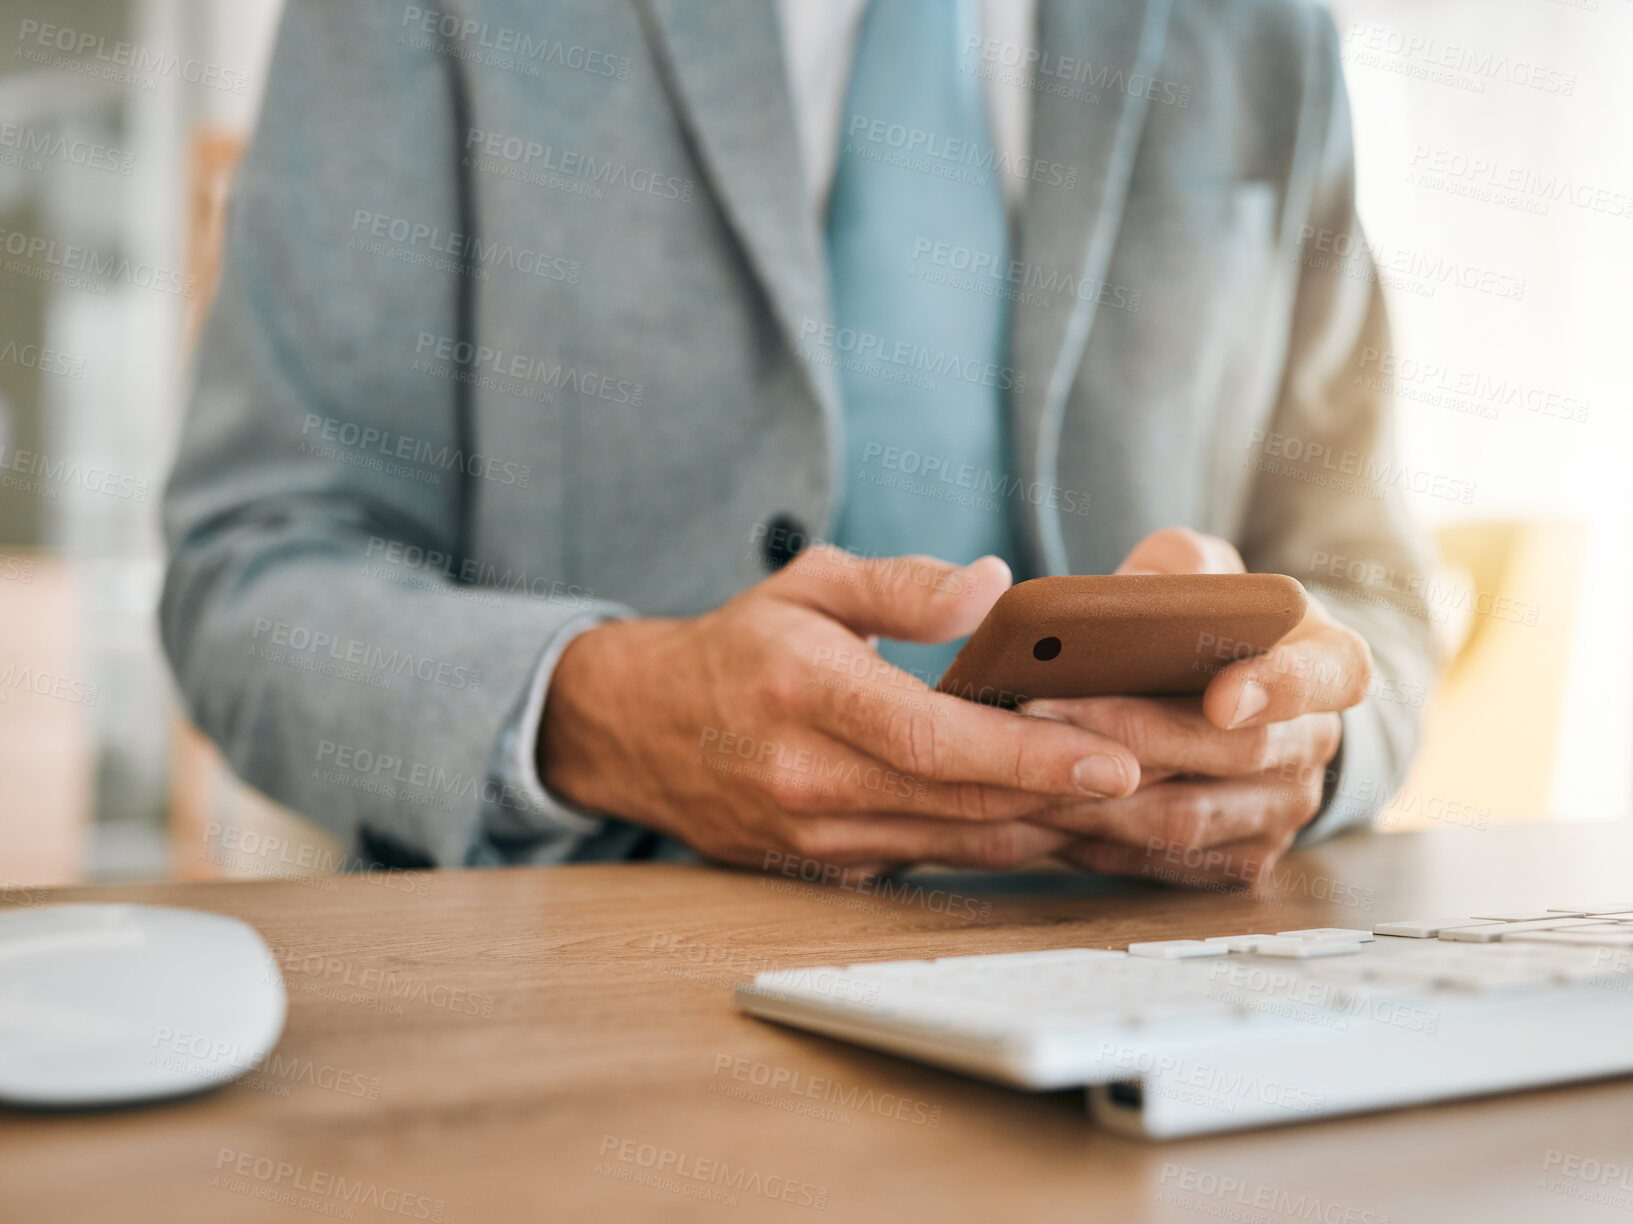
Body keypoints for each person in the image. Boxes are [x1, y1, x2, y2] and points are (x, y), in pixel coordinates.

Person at [161, 0, 1437, 887]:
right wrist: (607, 718)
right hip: (586, 990)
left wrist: (1296, 748)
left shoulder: (1273, 40)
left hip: (1140, 989)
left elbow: (1371, 591)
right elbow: (251, 570)